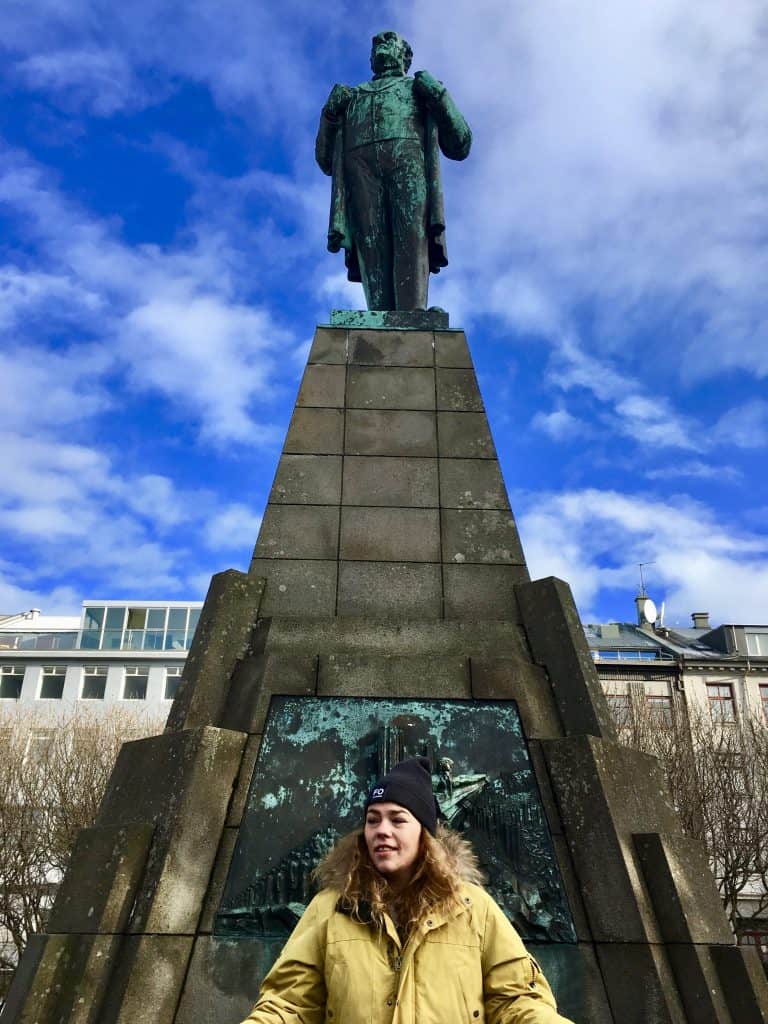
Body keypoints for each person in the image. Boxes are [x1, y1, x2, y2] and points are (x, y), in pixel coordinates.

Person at [241, 756, 575, 1024]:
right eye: (373, 820)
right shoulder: (329, 908)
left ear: (424, 835)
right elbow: (289, 1005)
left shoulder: (475, 908)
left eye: (397, 820)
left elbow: (517, 1000)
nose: (381, 831)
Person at [315, 31, 471, 311]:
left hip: (407, 165)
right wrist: (329, 115)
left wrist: (438, 94)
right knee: (370, 244)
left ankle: (413, 314)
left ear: (405, 56)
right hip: (360, 170)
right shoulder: (351, 98)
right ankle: (380, 317)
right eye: (376, 44)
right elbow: (325, 161)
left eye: (389, 40)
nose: (381, 43)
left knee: (410, 237)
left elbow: (460, 144)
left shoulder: (417, 89)